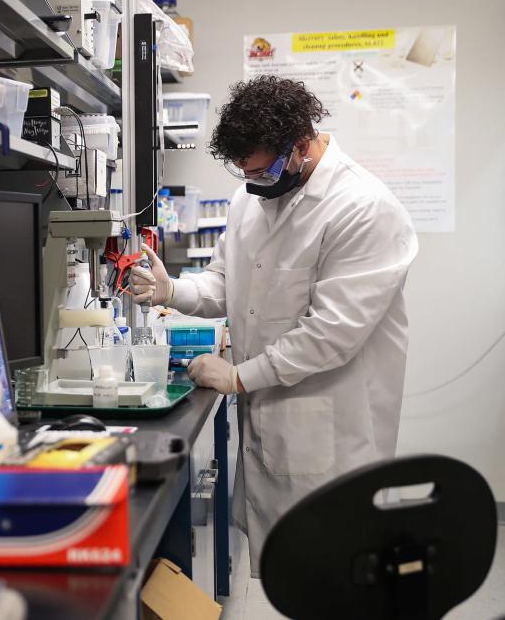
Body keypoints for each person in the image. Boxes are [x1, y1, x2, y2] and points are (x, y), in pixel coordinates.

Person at [131, 75, 418, 575]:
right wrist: (171, 291)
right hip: (276, 420)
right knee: (294, 575)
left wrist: (239, 377)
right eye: (246, 173)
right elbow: (227, 283)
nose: (254, 183)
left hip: (334, 425)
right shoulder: (251, 199)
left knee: (338, 575)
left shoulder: (363, 208)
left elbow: (331, 334)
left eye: (264, 171)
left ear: (301, 146)